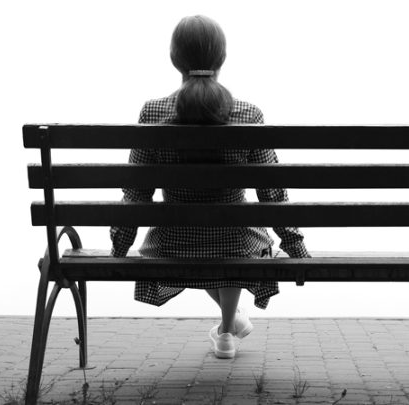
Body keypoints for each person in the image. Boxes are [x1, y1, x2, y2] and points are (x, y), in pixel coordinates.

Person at [110, 15, 310, 359]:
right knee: (230, 235)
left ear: (175, 58)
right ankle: (228, 329)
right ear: (222, 58)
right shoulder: (248, 114)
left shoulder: (153, 111)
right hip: (237, 242)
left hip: (174, 243)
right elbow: (273, 194)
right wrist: (296, 249)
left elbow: (136, 193)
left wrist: (119, 247)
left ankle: (228, 328)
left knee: (211, 239)